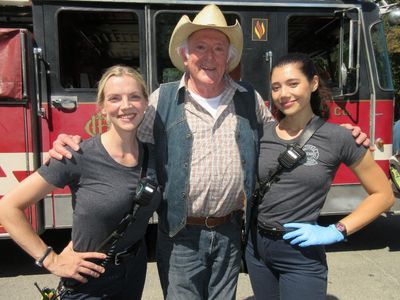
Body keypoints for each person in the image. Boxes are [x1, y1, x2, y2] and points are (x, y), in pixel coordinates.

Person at [47, 5, 369, 300]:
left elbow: (286, 135)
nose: (209, 56)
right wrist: (76, 144)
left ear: (229, 57)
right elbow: (125, 141)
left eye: (218, 48)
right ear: (186, 55)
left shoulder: (249, 98)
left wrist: (338, 134)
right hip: (178, 236)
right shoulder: (163, 99)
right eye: (200, 47)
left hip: (230, 233)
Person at [0, 65, 160, 299]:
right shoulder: (76, 155)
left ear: (146, 103)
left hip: (133, 270)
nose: (126, 106)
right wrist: (50, 259)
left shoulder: (153, 155)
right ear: (102, 108)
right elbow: (7, 208)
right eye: (115, 98)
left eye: (134, 97)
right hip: (88, 281)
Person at [245, 53, 394, 300]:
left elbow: (384, 195)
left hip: (301, 254)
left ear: (313, 83)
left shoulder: (339, 137)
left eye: (293, 84)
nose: (284, 94)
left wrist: (337, 230)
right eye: (276, 87)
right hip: (257, 249)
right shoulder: (261, 134)